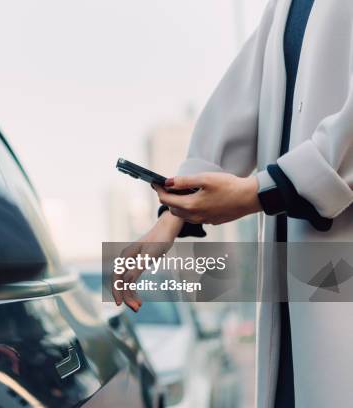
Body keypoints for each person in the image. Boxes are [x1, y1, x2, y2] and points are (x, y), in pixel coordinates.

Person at [113, 1, 353, 407]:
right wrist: (173, 216)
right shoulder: (285, 8)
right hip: (304, 304)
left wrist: (255, 192)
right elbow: (240, 103)